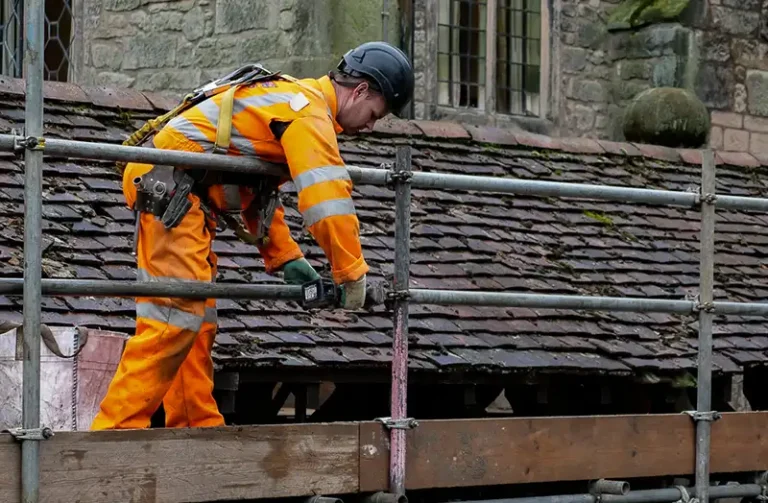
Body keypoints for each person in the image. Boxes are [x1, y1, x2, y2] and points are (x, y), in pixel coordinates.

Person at [90, 41, 414, 430]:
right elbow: (327, 202)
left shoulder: (289, 100)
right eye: (375, 114)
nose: (370, 126)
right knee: (174, 318)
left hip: (179, 191)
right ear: (360, 90)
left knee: (196, 321)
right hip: (170, 187)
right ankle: (113, 432)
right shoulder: (308, 113)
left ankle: (195, 427)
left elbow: (255, 191)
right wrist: (351, 274)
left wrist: (287, 258)